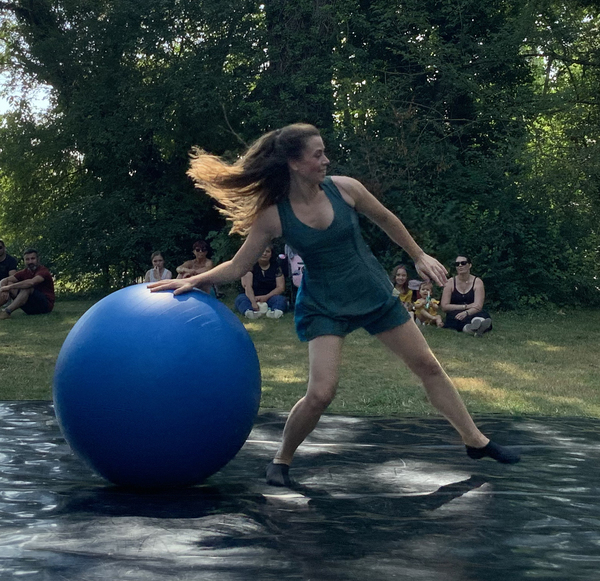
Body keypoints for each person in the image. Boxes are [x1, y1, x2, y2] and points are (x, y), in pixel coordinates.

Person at [149, 123, 520, 487]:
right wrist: (195, 279)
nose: (326, 160)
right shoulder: (274, 215)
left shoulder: (345, 189)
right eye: (318, 154)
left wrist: (418, 255)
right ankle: (282, 458)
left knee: (428, 366)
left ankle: (475, 440)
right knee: (321, 393)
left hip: (372, 294)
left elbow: (386, 219)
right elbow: (238, 265)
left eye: (324, 152)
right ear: (295, 163)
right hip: (325, 305)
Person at [441, 256, 492, 337]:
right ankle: (472, 328)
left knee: (482, 314)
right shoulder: (450, 282)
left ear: (470, 265)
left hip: (473, 311)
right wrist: (465, 307)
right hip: (456, 312)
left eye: (463, 263)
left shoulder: (477, 282)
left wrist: (467, 312)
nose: (460, 266)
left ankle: (477, 323)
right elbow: (444, 306)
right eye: (457, 264)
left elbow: (478, 306)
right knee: (457, 318)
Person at [234, 245, 289, 319]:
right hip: (250, 297)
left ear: (271, 254)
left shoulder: (276, 267)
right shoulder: (249, 266)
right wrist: (253, 302)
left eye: (267, 251)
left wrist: (266, 297)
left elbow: (280, 287)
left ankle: (276, 312)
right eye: (262, 251)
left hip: (270, 297)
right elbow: (247, 286)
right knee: (241, 299)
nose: (264, 253)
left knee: (281, 299)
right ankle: (249, 312)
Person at [0, 249, 55, 319]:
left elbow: (31, 282)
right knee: (9, 282)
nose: (30, 262)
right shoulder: (24, 272)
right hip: (29, 307)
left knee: (27, 288)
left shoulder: (43, 271)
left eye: (33, 259)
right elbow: (5, 280)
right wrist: (4, 288)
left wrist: (9, 287)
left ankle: (7, 312)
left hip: (45, 306)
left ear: (38, 259)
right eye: (27, 259)